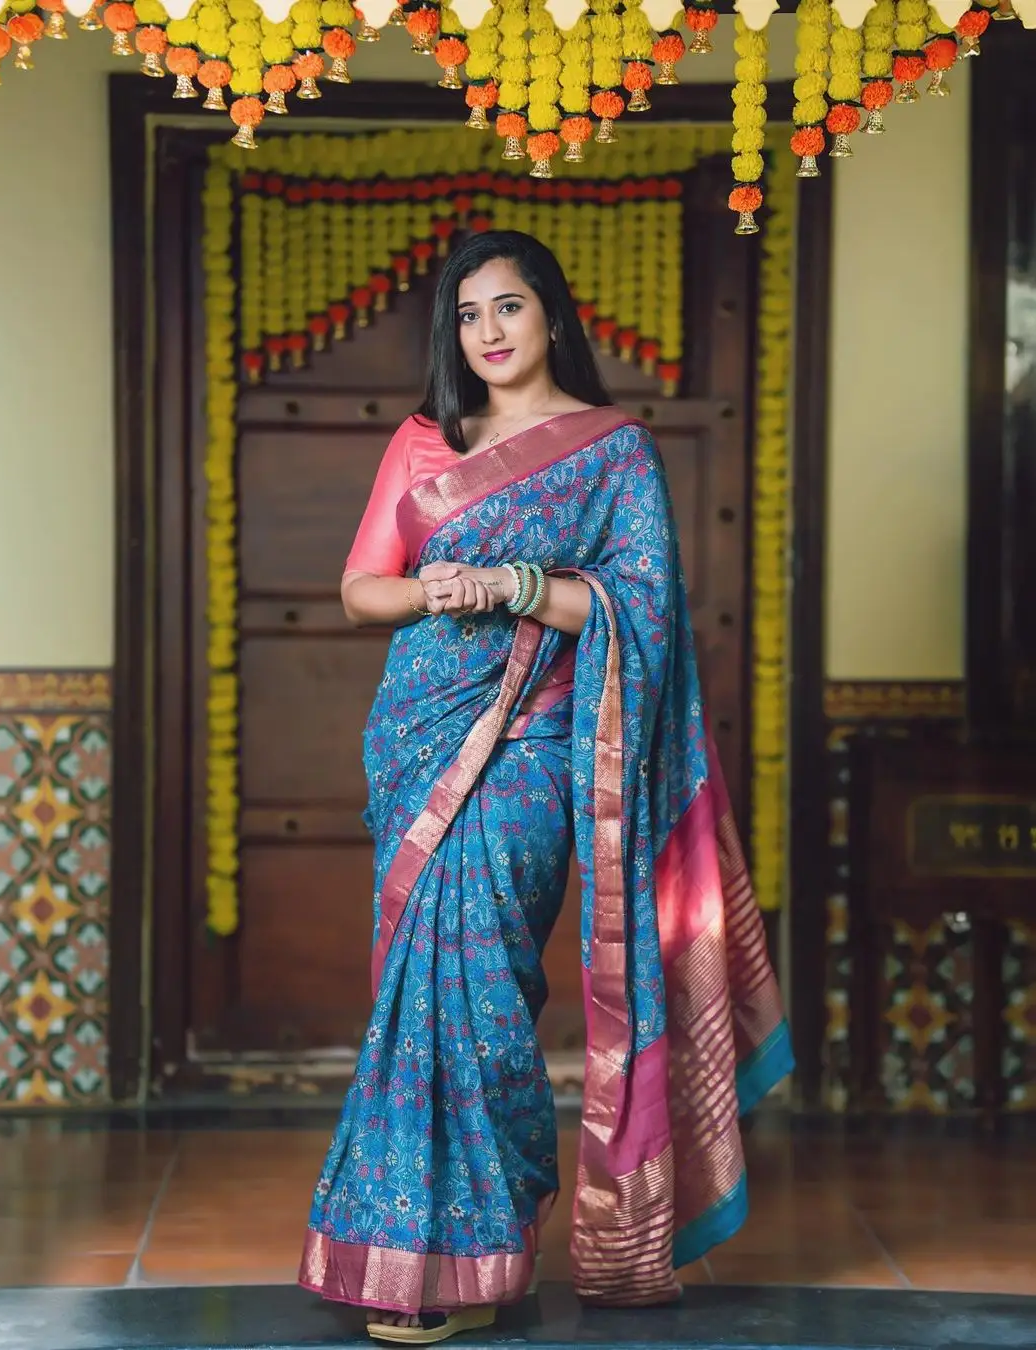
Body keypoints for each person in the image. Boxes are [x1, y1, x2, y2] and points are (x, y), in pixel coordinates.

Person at [298, 229, 793, 1345]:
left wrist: (521, 583)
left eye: (507, 308)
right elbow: (359, 590)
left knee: (479, 977)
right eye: (468, 317)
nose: (488, 334)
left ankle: (471, 1251)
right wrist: (441, 594)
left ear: (551, 316)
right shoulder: (429, 441)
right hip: (420, 732)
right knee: (420, 995)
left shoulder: (613, 451)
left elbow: (644, 615)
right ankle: (417, 1256)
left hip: (532, 746)